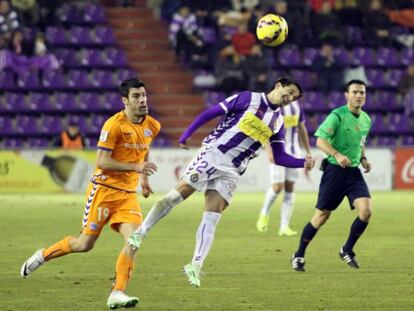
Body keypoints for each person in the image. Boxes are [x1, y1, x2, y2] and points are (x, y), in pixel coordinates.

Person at [128, 77, 315, 287]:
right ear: (278, 85)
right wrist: (187, 135)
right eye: (288, 93)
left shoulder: (278, 121)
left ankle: (195, 265)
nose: (289, 99)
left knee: (212, 217)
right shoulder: (248, 98)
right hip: (213, 155)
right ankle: (139, 233)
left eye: (293, 98)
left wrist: (302, 162)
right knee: (176, 196)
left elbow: (280, 156)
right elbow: (211, 113)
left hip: (233, 171)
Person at [20, 78, 160, 310]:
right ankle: (43, 255)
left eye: (144, 95)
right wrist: (136, 168)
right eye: (136, 96)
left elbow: (144, 149)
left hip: (127, 195)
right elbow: (102, 161)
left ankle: (117, 292)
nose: (143, 100)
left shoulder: (153, 125)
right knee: (84, 244)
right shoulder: (113, 126)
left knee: (134, 241)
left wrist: (143, 179)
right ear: (125, 101)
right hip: (103, 191)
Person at [291, 79, 372, 272]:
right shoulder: (337, 115)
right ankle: (299, 254)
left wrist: (363, 159)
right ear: (347, 95)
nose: (359, 95)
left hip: (353, 172)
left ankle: (347, 249)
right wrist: (336, 154)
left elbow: (360, 143)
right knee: (321, 216)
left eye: (362, 92)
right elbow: (320, 140)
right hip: (335, 171)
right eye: (355, 92)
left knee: (366, 211)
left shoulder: (366, 119)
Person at [256, 100, 312, 236]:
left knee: (290, 186)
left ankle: (284, 226)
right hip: (278, 151)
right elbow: (264, 129)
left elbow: (301, 127)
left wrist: (308, 151)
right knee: (277, 187)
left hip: (294, 151)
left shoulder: (297, 105)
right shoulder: (273, 106)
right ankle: (264, 213)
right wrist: (268, 150)